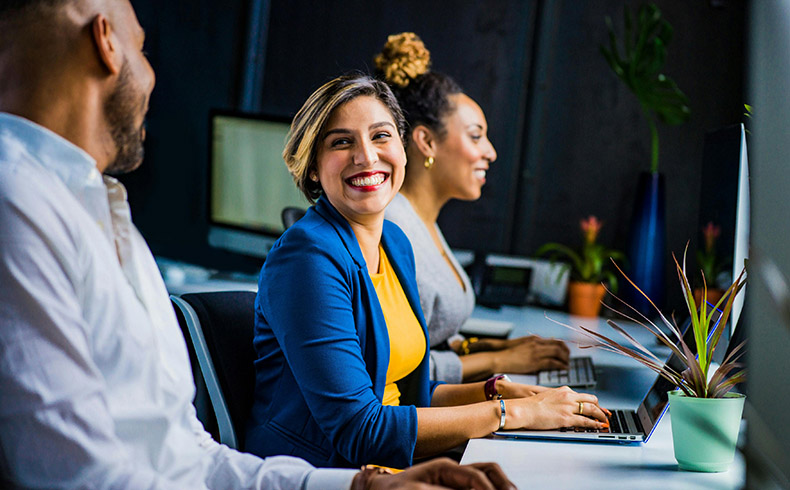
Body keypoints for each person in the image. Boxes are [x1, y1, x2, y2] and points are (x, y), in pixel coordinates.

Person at [0, 1, 516, 489]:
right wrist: (505, 412)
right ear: (106, 43)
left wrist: (363, 485)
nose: (153, 76)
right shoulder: (19, 204)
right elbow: (79, 477)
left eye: (381, 137)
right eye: (143, 48)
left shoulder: (99, 209)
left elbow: (190, 456)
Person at [245, 73, 610, 470]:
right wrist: (511, 414)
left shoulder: (395, 243)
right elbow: (359, 429)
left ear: (403, 149)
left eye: (381, 136)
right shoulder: (307, 258)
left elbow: (408, 395)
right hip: (324, 473)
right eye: (341, 142)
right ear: (313, 167)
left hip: (392, 465)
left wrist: (500, 393)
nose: (366, 156)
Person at [376, 32, 571, 384]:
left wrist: (493, 348)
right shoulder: (392, 228)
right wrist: (499, 361)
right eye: (476, 135)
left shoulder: (423, 222)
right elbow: (397, 371)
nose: (491, 152)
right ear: (426, 141)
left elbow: (430, 338)